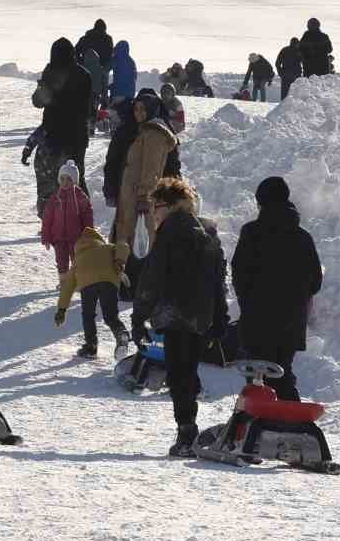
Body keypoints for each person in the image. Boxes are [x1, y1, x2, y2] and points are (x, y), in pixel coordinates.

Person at [133, 177, 224, 457]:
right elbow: (218, 279)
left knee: (178, 374)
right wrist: (219, 317)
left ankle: (186, 431)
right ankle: (189, 427)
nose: (154, 214)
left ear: (169, 205)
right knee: (187, 371)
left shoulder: (170, 231)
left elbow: (153, 278)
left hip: (174, 314)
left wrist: (139, 317)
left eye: (156, 207)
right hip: (199, 316)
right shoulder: (207, 232)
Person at [231, 176, 323, 403]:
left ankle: (261, 427)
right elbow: (316, 282)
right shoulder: (303, 238)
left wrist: (248, 302)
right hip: (290, 325)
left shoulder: (251, 232)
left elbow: (239, 273)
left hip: (257, 321)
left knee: (258, 377)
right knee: (282, 373)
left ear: (260, 203)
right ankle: (290, 425)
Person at [111, 93, 180, 255]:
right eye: (136, 109)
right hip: (133, 196)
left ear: (152, 110)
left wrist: (143, 197)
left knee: (139, 244)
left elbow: (152, 170)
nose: (138, 113)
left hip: (140, 199)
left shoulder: (154, 134)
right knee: (132, 241)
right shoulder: (145, 131)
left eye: (143, 109)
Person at [31, 38, 93, 215]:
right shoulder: (84, 74)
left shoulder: (51, 72)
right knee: (76, 180)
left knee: (51, 181)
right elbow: (85, 109)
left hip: (56, 136)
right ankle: (81, 219)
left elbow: (38, 101)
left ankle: (53, 219)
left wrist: (47, 89)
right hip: (76, 137)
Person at [56, 227, 131, 358]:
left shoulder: (78, 260)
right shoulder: (108, 248)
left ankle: (91, 347)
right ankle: (121, 333)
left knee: (88, 315)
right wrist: (119, 260)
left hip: (87, 284)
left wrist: (61, 309)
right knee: (110, 315)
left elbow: (68, 286)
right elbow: (123, 246)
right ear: (98, 239)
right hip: (109, 281)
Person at [41, 159, 95, 279]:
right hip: (59, 237)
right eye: (62, 179)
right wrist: (46, 236)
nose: (65, 182)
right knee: (61, 261)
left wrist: (89, 234)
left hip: (76, 237)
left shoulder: (81, 197)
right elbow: (48, 218)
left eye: (69, 179)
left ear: (75, 181)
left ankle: (78, 280)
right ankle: (64, 281)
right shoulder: (56, 197)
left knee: (78, 260)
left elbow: (87, 216)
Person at [100, 96, 139, 209]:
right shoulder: (126, 131)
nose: (113, 120)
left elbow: (112, 164)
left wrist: (110, 192)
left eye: (116, 115)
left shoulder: (123, 133)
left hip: (127, 190)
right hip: (127, 190)